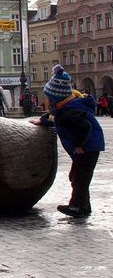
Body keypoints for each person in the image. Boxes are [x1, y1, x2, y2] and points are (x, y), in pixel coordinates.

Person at [30, 65, 105, 217]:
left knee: (80, 178)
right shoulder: (65, 109)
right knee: (77, 176)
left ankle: (76, 206)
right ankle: (84, 205)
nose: (48, 100)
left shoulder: (70, 110)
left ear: (57, 97)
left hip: (88, 148)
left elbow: (84, 126)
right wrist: (43, 121)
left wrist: (79, 145)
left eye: (49, 97)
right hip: (88, 147)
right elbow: (55, 118)